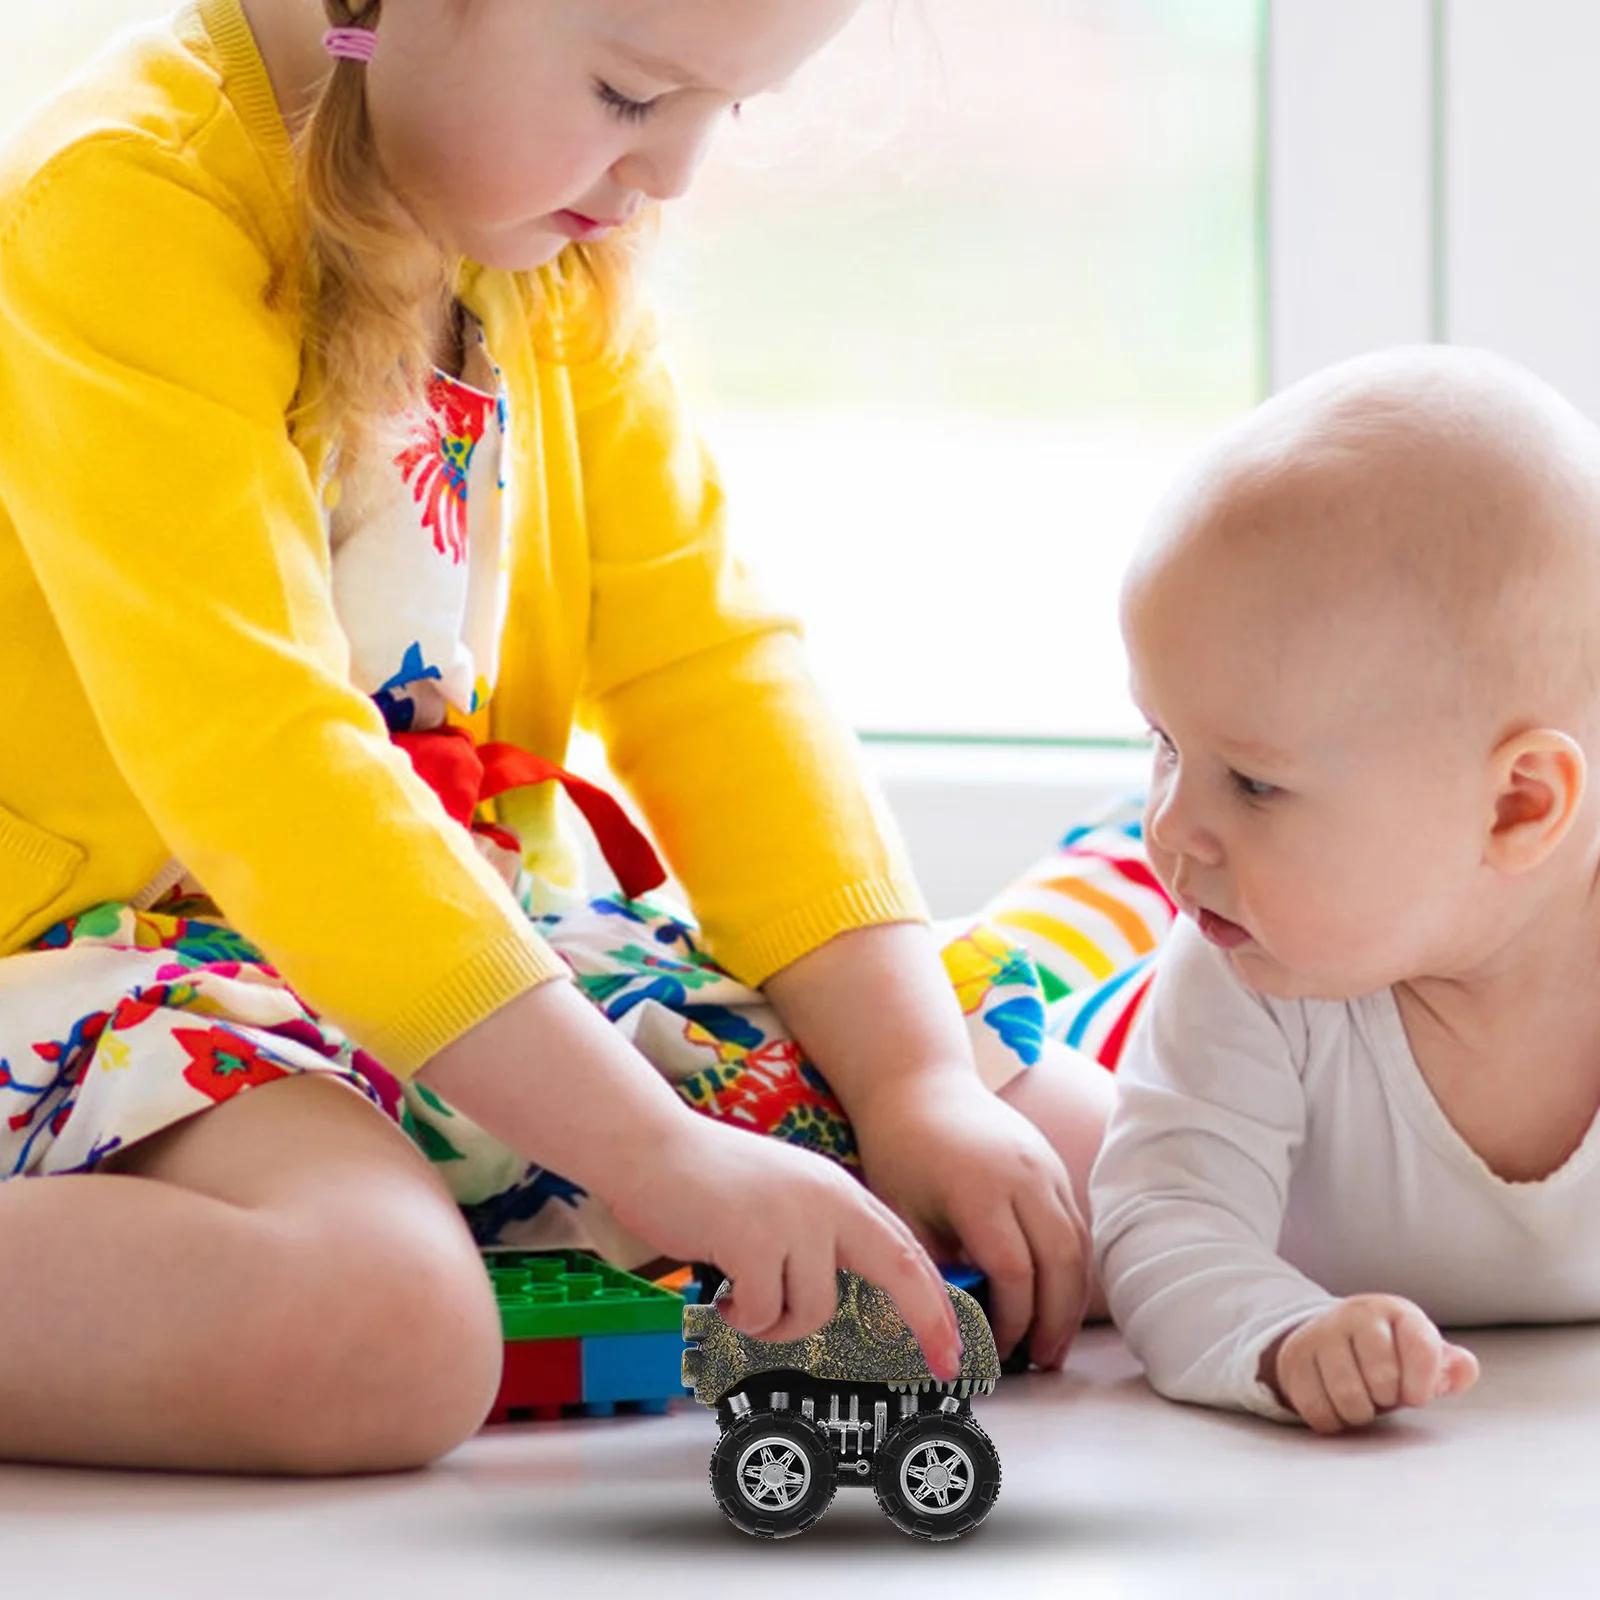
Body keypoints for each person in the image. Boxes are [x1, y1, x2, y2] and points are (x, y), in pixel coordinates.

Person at [0, 0, 1117, 1474]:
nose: (676, 176)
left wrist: (914, 1082)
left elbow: (708, 664)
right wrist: (656, 1155)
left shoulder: (543, 232)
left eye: (734, 110)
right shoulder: (122, 203)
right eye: (629, 92)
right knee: (379, 1331)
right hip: (120, 961)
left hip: (464, 948)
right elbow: (264, 761)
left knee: (1082, 1145)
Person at [1090, 343, 1600, 1434]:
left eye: (1255, 782)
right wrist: (1275, 1332)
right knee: (1033, 1142)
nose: (1172, 823)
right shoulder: (1244, 961)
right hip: (1106, 1026)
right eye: (1162, 743)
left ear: (1516, 807)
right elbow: (1162, 1216)